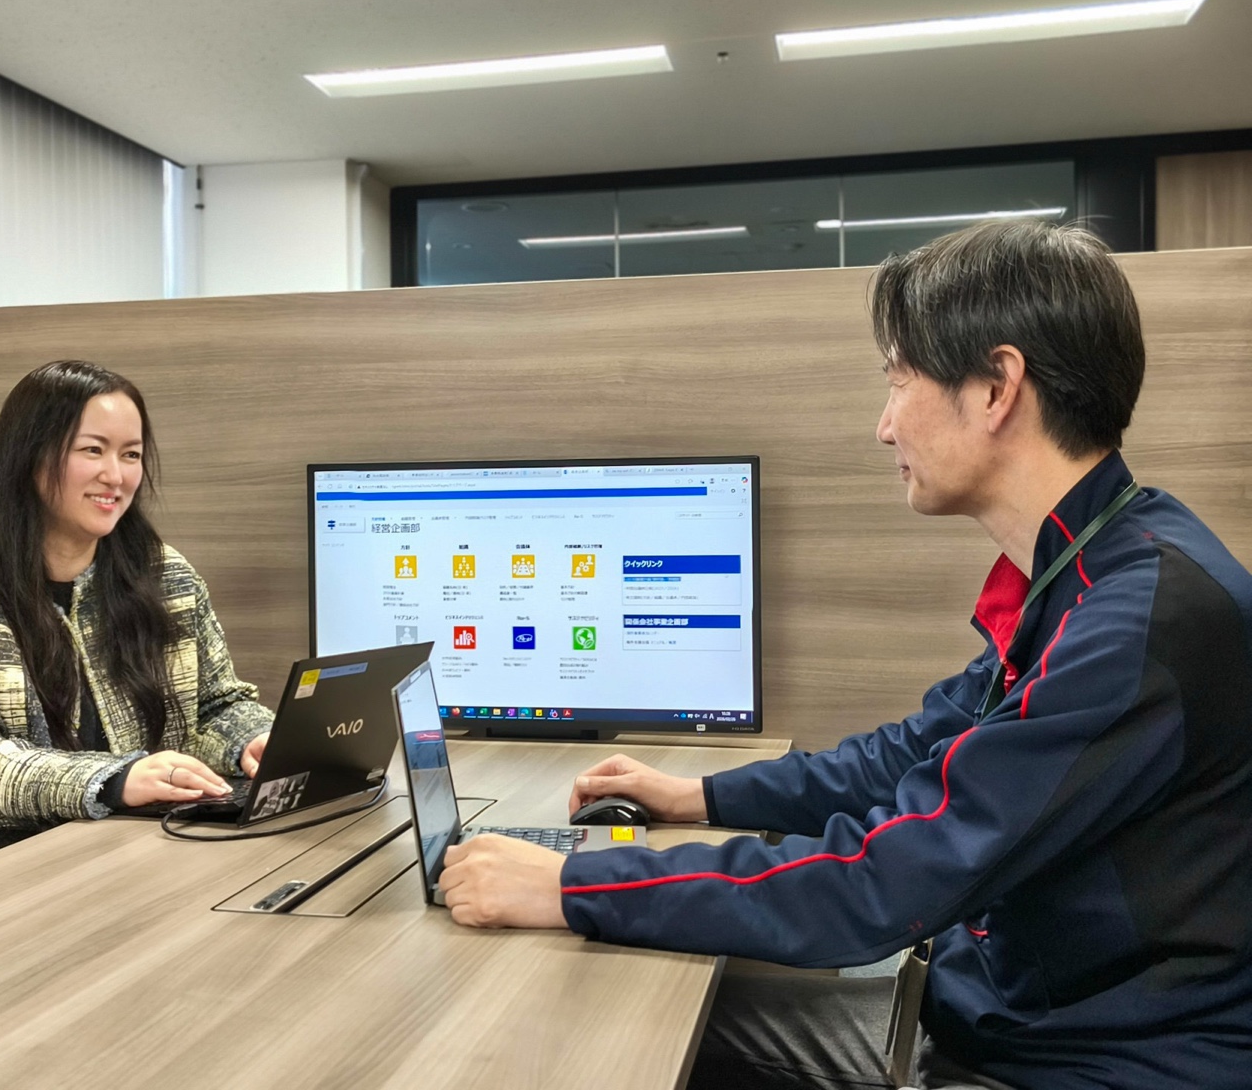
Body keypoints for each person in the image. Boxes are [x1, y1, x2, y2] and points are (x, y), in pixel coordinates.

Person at [435, 221, 1252, 1089]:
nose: (883, 426)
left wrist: (570, 886)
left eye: (899, 383)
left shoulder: (1137, 623)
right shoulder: (1092, 566)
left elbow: (886, 881)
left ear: (996, 387)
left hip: (1086, 1066)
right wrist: (699, 795)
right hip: (1004, 1013)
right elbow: (912, 757)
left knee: (605, 1029)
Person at [0, 360, 274, 894]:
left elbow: (216, 704)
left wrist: (253, 738)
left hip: (129, 861)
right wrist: (113, 779)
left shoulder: (166, 577)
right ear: (30, 455)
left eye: (130, 454)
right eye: (93, 450)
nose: (117, 476)